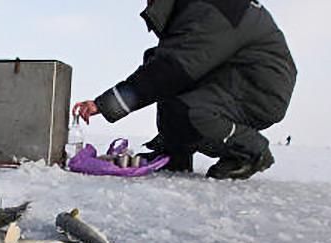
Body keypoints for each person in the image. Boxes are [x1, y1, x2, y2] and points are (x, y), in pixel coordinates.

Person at [73, 0, 296, 180]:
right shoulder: (194, 9)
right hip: (230, 77)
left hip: (256, 89)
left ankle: (251, 151)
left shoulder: (213, 10)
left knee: (188, 107)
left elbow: (172, 69)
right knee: (160, 64)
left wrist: (104, 104)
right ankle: (175, 152)